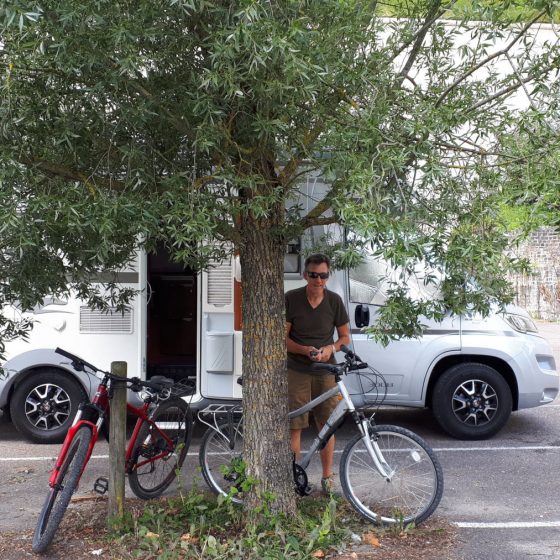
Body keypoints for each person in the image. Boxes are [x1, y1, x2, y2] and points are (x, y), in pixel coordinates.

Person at [285, 253, 351, 494]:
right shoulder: (291, 299)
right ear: (305, 275)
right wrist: (304, 350)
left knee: (326, 425)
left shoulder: (334, 301)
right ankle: (293, 477)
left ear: (328, 276)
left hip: (326, 370)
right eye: (314, 275)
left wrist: (329, 349)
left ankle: (326, 478)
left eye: (323, 276)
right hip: (297, 369)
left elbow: (345, 338)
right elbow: (283, 339)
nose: (318, 280)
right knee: (296, 426)